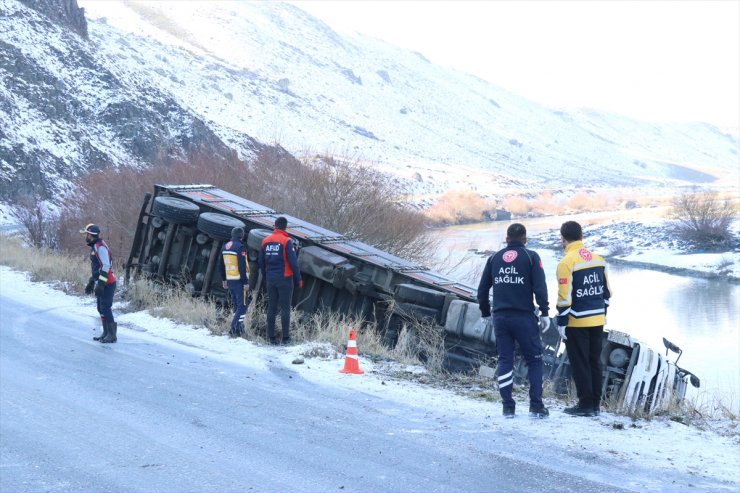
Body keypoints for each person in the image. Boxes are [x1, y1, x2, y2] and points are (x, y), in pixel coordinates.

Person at [477, 223, 550, 418]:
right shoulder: (531, 257)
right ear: (525, 239)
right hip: (524, 318)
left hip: (500, 318)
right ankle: (536, 405)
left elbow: (482, 289)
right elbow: (540, 288)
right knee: (534, 360)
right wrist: (544, 312)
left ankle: (507, 406)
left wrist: (485, 312)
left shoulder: (494, 258)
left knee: (504, 360)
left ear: (507, 239)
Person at [556, 221, 612, 417]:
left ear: (563, 238)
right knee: (595, 361)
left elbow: (565, 297)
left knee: (580, 362)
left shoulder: (566, 263)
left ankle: (585, 404)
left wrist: (562, 322)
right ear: (581, 236)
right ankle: (596, 404)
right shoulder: (599, 260)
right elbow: (607, 293)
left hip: (577, 320)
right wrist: (602, 313)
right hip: (597, 319)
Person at [258, 216, 302, 344]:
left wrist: (266, 276)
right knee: (285, 308)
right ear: (285, 227)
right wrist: (298, 278)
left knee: (271, 307)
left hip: (270, 279)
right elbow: (293, 263)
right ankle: (285, 338)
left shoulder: (265, 241)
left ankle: (270, 337)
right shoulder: (286, 241)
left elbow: (261, 261)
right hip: (285, 279)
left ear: (275, 226)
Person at [81, 223, 117, 343]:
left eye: (86, 234)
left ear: (90, 235)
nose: (85, 236)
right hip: (101, 281)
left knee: (105, 307)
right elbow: (97, 267)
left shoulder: (100, 246)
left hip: (108, 283)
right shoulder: (95, 246)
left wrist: (101, 283)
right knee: (100, 308)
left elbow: (106, 265)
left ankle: (112, 335)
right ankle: (105, 333)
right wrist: (92, 281)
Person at [219, 226, 250, 338]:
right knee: (242, 306)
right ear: (242, 236)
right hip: (239, 281)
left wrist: (224, 279)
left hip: (230, 280)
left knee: (236, 306)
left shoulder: (225, 247)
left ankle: (238, 330)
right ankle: (233, 329)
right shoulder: (240, 247)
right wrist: (245, 282)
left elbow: (220, 265)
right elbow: (242, 266)